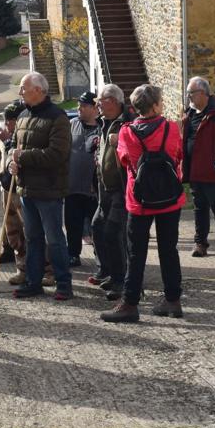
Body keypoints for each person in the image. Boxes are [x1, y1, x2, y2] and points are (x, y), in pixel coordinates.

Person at [100, 84, 186, 323]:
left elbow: (123, 160)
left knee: (136, 252)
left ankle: (130, 303)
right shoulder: (170, 128)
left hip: (139, 200)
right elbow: (177, 155)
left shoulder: (127, 132)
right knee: (169, 250)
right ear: (156, 105)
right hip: (169, 197)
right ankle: (173, 299)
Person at [7, 72, 74, 301]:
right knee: (32, 239)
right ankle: (33, 282)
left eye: (24, 88)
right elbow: (12, 147)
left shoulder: (58, 117)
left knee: (54, 239)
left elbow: (57, 154)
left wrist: (22, 157)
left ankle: (64, 283)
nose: (20, 92)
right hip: (26, 189)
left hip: (49, 190)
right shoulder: (23, 115)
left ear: (39, 90)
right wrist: (11, 164)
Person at [88, 84, 131, 299]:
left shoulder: (127, 123)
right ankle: (111, 273)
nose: (97, 105)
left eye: (101, 101)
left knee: (114, 232)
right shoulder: (105, 123)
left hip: (121, 188)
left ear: (113, 101)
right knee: (97, 227)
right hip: (104, 189)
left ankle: (122, 279)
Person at [182, 77, 215, 258]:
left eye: (191, 93)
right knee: (199, 208)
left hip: (214, 171)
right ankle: (200, 243)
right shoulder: (189, 114)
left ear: (203, 93)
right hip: (195, 171)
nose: (189, 97)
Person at [66, 91, 101, 268]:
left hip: (94, 190)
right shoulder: (71, 125)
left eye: (84, 106)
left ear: (95, 108)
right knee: (72, 223)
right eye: (79, 105)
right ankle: (73, 254)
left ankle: (100, 256)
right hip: (72, 187)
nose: (79, 109)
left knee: (97, 226)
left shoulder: (102, 128)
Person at [0, 101, 26, 276]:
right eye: (5, 120)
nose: (6, 123)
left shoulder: (21, 135)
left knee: (28, 231)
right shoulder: (5, 134)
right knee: (12, 231)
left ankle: (46, 269)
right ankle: (21, 267)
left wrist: (7, 142)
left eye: (10, 120)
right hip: (6, 186)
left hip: (20, 189)